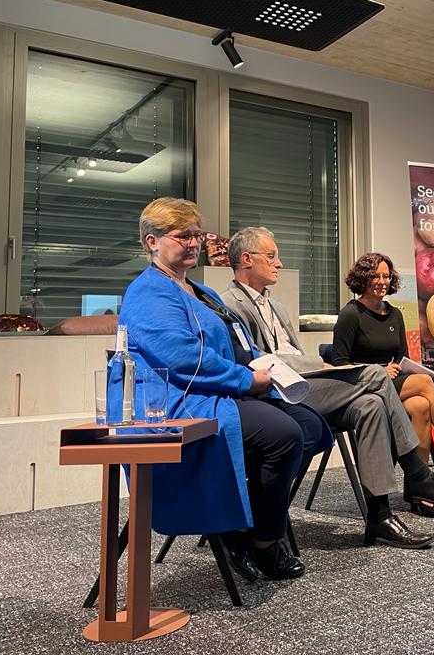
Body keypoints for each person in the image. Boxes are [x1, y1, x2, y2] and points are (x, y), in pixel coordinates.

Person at [112, 198, 332, 581]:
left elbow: (233, 344)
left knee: (311, 427)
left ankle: (242, 515)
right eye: (183, 236)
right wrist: (246, 380)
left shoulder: (196, 289)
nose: (194, 243)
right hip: (182, 398)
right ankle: (260, 538)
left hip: (218, 387)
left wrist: (266, 369)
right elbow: (182, 358)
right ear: (152, 242)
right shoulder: (148, 292)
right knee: (283, 435)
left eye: (197, 235)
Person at [222, 228, 434, 544]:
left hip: (303, 384)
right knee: (377, 376)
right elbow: (259, 360)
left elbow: (291, 353)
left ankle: (380, 517)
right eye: (271, 256)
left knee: (370, 405)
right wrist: (320, 366)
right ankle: (418, 474)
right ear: (246, 259)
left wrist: (314, 367)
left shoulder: (276, 306)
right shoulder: (230, 305)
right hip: (278, 393)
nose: (279, 263)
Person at [331, 252, 434, 514]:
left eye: (386, 276)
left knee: (421, 405)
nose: (382, 281)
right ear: (363, 278)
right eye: (375, 275)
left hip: (393, 385)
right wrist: (378, 370)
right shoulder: (351, 314)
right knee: (422, 383)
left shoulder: (394, 314)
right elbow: (339, 364)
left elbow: (400, 355)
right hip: (363, 389)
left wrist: (398, 367)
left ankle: (419, 492)